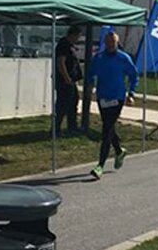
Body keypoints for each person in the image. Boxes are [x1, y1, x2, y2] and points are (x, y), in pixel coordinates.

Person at [87, 31, 138, 180]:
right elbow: (90, 73)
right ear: (105, 43)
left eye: (113, 42)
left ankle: (100, 166)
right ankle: (119, 151)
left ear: (117, 43)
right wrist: (90, 83)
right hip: (103, 97)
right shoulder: (99, 58)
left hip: (117, 98)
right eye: (108, 42)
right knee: (108, 127)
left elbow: (133, 75)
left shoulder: (123, 58)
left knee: (107, 129)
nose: (110, 45)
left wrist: (131, 93)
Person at [54, 25, 82, 136]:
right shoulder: (64, 45)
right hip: (65, 80)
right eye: (78, 36)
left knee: (73, 101)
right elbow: (61, 63)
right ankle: (56, 128)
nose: (78, 39)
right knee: (63, 104)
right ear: (73, 35)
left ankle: (72, 126)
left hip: (71, 80)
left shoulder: (71, 46)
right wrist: (67, 78)